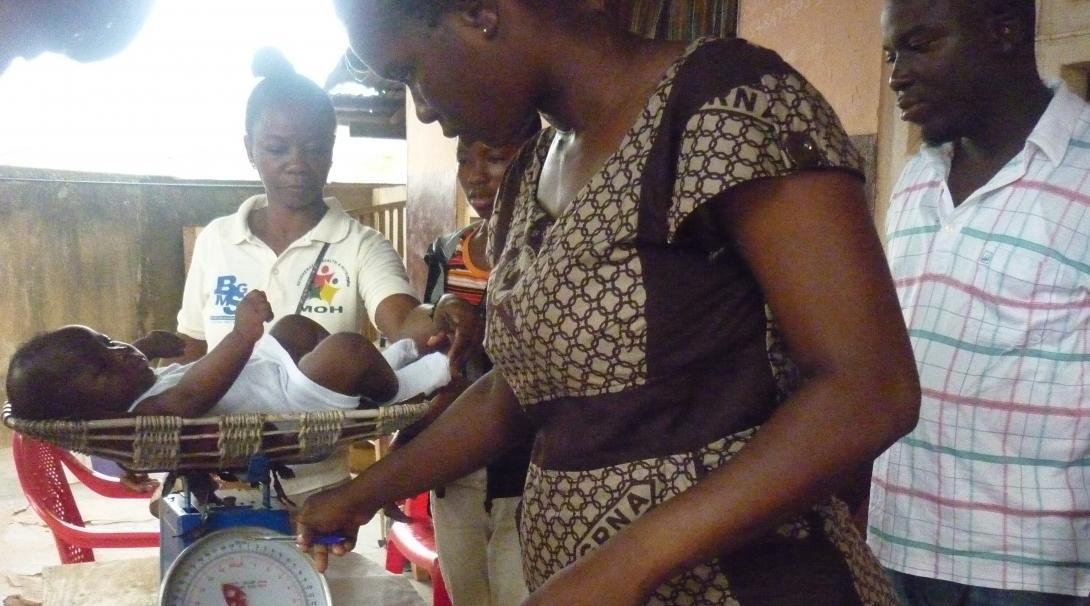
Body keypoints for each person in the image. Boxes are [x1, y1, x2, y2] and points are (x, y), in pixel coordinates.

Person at [299, 3, 921, 605]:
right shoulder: (531, 172)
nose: (424, 109)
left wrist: (625, 567)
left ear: (480, 12)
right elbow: (520, 390)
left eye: (409, 72)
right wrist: (366, 492)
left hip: (751, 583)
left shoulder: (726, 105)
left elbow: (870, 389)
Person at [175, 48, 477, 497]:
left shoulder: (360, 245)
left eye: (315, 148)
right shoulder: (216, 241)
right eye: (277, 148)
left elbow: (404, 321)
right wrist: (167, 451)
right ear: (249, 150)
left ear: (332, 152)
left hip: (319, 486)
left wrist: (442, 311)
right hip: (215, 482)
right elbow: (193, 353)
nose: (297, 162)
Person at [869, 1, 1090, 604]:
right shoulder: (917, 178)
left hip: (1030, 569)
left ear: (1005, 34)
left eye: (919, 45)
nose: (897, 74)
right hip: (897, 541)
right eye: (892, 54)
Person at [401, 123, 540, 606]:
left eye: (496, 158)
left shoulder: (554, 249)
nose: (475, 177)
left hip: (527, 475)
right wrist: (438, 317)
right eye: (464, 159)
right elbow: (422, 349)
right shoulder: (449, 252)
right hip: (454, 472)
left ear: (535, 159)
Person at [5, 289, 450, 422]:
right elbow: (194, 394)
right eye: (103, 364)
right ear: (96, 413)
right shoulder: (151, 411)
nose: (119, 351)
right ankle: (396, 390)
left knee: (294, 326)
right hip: (292, 406)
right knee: (347, 349)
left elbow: (122, 361)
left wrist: (142, 347)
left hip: (275, 374)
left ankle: (380, 370)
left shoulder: (131, 385)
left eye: (107, 339)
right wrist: (241, 335)